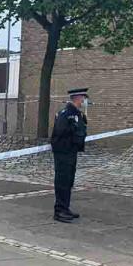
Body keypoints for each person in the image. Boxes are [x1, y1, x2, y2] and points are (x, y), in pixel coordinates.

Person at [51, 88, 88, 223]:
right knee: (62, 181)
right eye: (83, 97)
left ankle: (65, 207)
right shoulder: (65, 114)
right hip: (63, 153)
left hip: (71, 152)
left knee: (69, 181)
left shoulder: (77, 114)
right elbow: (60, 133)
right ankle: (59, 211)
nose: (84, 100)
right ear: (77, 98)